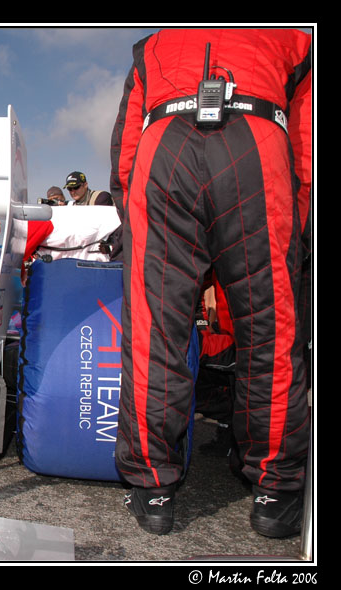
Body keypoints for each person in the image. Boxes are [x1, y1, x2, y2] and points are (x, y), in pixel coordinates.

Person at [109, 28, 312, 538]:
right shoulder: (296, 37)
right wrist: (298, 220)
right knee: (271, 330)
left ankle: (152, 487)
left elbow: (127, 147)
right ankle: (275, 489)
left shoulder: (153, 43)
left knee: (155, 330)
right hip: (258, 141)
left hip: (165, 145)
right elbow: (307, 138)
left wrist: (133, 214)